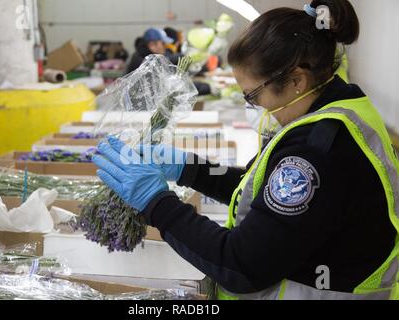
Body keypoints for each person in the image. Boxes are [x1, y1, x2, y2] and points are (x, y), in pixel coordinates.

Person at [93, 0, 399, 300]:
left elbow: (240, 266)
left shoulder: (317, 149)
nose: (253, 105)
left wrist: (156, 203)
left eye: (252, 94)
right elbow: (262, 193)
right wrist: (188, 168)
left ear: (296, 80)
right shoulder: (335, 111)